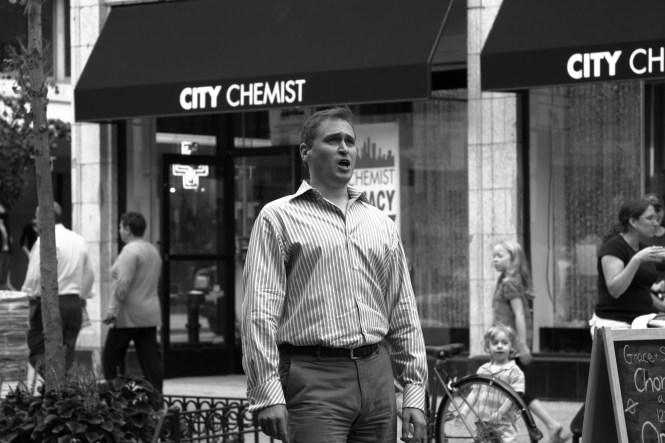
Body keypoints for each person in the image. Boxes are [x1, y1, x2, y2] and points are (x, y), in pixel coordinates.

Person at [241, 106, 428, 443]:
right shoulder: (277, 218)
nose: (344, 148)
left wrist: (414, 391)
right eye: (333, 140)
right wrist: (267, 391)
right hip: (312, 378)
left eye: (350, 141)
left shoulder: (381, 223)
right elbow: (259, 312)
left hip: (378, 374)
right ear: (306, 152)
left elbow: (403, 311)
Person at [492, 239, 571, 443]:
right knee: (514, 388)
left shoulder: (510, 282)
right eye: (494, 256)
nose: (495, 259)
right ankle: (547, 426)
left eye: (500, 256)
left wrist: (522, 345)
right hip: (508, 343)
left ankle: (548, 425)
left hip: (510, 345)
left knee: (514, 389)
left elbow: (519, 314)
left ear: (513, 259)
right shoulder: (509, 279)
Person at [22, 202, 95, 373]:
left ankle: (54, 384)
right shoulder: (78, 240)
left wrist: (26, 298)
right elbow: (90, 273)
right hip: (74, 304)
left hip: (51, 303)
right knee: (66, 354)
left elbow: (34, 277)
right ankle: (60, 387)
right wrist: (81, 296)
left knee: (36, 349)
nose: (35, 222)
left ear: (44, 217)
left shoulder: (44, 241)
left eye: (36, 217)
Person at [102, 212, 164, 392]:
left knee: (111, 356)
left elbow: (122, 285)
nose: (119, 231)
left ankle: (116, 395)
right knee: (150, 358)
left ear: (128, 229)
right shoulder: (153, 250)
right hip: (150, 312)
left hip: (128, 314)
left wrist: (112, 310)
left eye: (120, 227)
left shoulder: (129, 251)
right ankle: (157, 398)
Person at [590, 198, 665, 334]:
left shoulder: (643, 248)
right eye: (650, 218)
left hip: (641, 322)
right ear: (633, 222)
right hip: (615, 323)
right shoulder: (614, 247)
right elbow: (615, 290)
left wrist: (662, 306)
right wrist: (637, 260)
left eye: (656, 218)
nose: (655, 223)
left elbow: (641, 291)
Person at [459, 324, 525, 443]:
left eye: (504, 343)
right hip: (482, 424)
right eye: (495, 343)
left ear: (512, 346)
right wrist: (464, 410)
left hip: (504, 424)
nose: (499, 346)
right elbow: (475, 393)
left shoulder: (514, 371)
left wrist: (500, 412)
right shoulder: (483, 369)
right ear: (487, 346)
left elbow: (514, 396)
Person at [0, 204, 12, 289]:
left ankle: (3, 286)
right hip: (0, 251)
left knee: (6, 268)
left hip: (7, 250)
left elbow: (7, 216)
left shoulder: (6, 226)